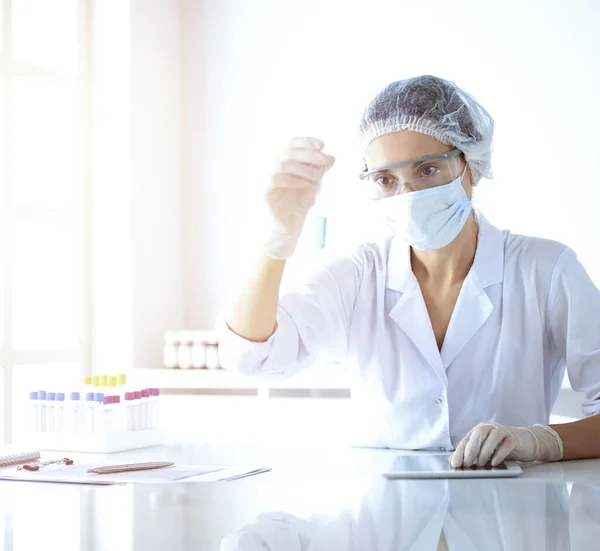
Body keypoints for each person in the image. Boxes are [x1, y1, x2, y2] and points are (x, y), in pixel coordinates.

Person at [217, 75, 600, 468]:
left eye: (428, 170)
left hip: (511, 517)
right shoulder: (359, 274)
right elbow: (251, 354)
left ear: (471, 164)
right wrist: (277, 239)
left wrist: (537, 442)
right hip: (386, 520)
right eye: (386, 179)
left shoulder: (546, 270)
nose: (408, 196)